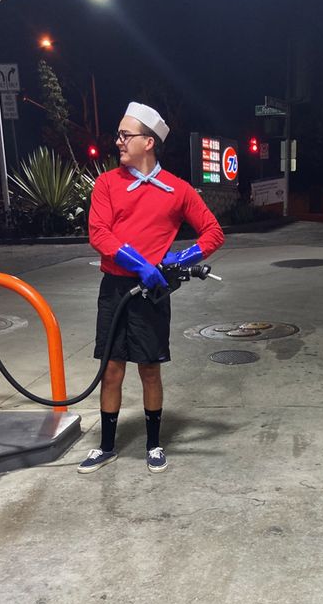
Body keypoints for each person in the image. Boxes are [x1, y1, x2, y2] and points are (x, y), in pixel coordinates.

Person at [79, 102, 225, 475]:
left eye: (125, 135)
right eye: (119, 135)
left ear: (148, 142)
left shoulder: (177, 190)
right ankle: (107, 446)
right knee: (112, 369)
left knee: (149, 369)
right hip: (115, 289)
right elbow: (99, 233)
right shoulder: (108, 183)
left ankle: (154, 444)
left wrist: (180, 259)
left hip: (153, 294)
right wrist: (138, 263)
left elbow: (213, 233)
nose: (118, 142)